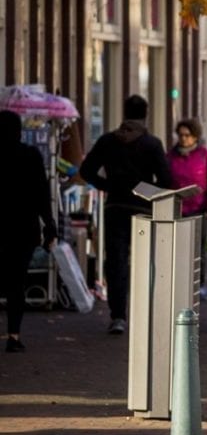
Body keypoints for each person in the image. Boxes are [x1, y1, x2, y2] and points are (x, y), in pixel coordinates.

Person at [80, 95, 174, 335]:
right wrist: (149, 191)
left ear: (124, 113)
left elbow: (86, 170)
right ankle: (145, 314)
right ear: (146, 114)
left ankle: (118, 316)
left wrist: (108, 186)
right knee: (145, 262)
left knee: (116, 262)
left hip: (115, 208)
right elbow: (166, 181)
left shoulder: (107, 141)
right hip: (143, 209)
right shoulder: (152, 144)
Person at [1, 111, 57, 352]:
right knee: (17, 283)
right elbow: (42, 194)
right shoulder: (31, 155)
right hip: (23, 229)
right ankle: (14, 336)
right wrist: (49, 225)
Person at [167, 118, 207, 299]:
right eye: (180, 135)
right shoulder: (170, 157)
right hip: (177, 209)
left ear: (195, 137)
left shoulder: (205, 156)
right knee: (176, 249)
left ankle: (200, 285)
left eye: (187, 135)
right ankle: (178, 284)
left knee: (198, 250)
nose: (183, 139)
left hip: (200, 210)